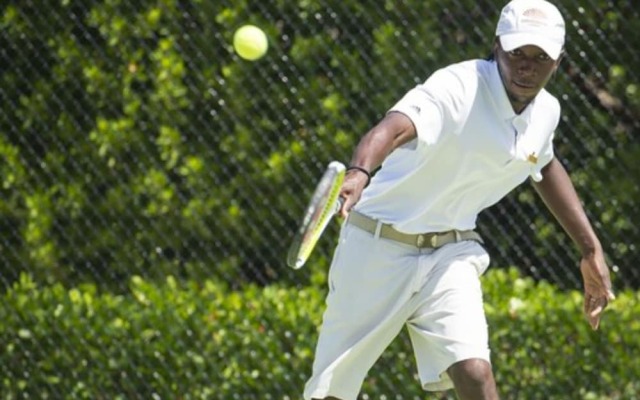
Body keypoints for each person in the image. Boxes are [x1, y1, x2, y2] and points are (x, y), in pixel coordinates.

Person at [303, 0, 616, 399]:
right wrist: (360, 171)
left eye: (540, 57)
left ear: (557, 62)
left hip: (450, 252)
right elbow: (394, 128)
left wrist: (591, 249)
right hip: (375, 246)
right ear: (497, 45)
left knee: (475, 372)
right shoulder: (458, 86)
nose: (526, 66)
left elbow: (545, 164)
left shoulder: (546, 112)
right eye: (518, 52)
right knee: (332, 392)